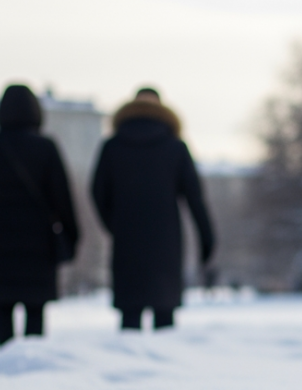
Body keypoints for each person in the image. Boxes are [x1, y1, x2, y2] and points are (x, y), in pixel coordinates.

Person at [0, 84, 80, 346]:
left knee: (2, 306)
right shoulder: (46, 148)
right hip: (37, 242)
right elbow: (62, 198)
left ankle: (4, 359)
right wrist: (72, 237)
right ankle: (31, 364)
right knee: (35, 306)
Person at [92, 87, 215, 331]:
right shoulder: (175, 147)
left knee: (130, 316)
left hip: (127, 240)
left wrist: (114, 225)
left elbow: (97, 193)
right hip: (165, 242)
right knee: (164, 315)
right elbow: (195, 197)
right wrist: (207, 240)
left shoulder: (112, 146)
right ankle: (164, 366)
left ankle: (128, 365)